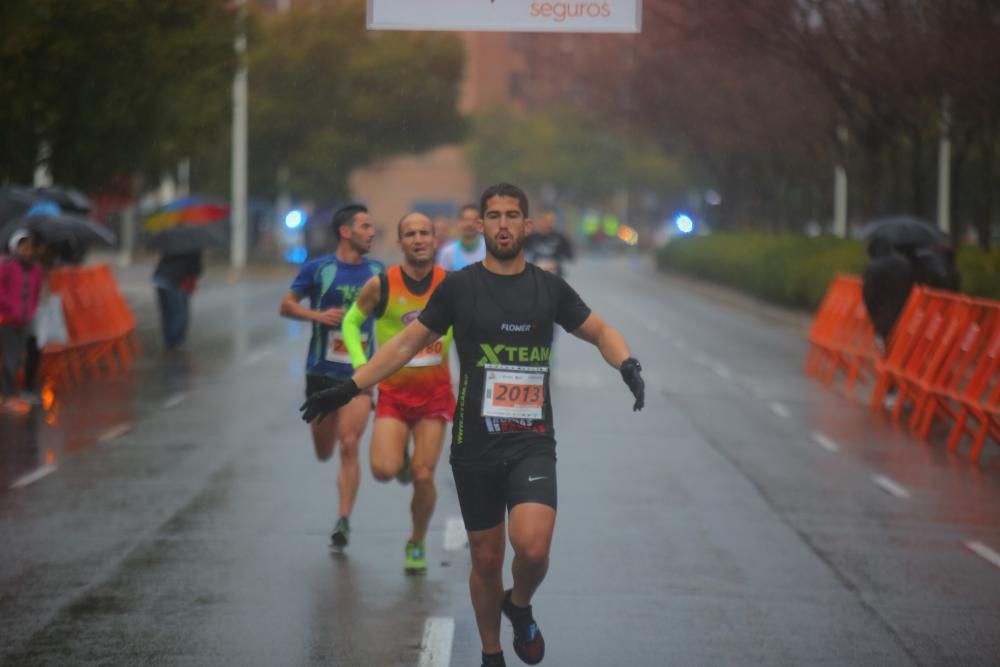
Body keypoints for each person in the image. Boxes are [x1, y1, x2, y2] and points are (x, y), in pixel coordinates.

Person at [300, 183, 645, 667]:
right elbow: (403, 345)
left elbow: (601, 331)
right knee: (485, 559)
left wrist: (626, 364)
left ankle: (519, 604)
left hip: (531, 440)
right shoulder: (460, 288)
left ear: (526, 225)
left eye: (512, 216)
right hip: (474, 444)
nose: (503, 225)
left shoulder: (548, 287)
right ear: (479, 225)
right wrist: (350, 385)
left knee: (534, 547)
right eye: (493, 216)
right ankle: (491, 654)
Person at [339, 212, 454, 575]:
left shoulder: (451, 285)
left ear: (435, 240)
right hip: (393, 394)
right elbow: (350, 321)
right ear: (400, 243)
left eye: (425, 232)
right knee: (384, 470)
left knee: (424, 475)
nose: (418, 239)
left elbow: (471, 330)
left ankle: (417, 541)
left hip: (436, 396)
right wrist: (361, 364)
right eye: (410, 234)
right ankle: (400, 460)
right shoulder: (381, 285)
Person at [280, 204, 383, 550]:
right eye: (365, 226)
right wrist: (317, 315)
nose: (372, 232)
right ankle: (342, 510)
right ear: (345, 231)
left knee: (349, 443)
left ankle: (343, 520)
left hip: (359, 374)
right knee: (324, 451)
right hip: (321, 373)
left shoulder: (378, 271)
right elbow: (286, 305)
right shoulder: (318, 268)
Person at [0, 230, 45, 413]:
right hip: (7, 320)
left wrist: (31, 310)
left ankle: (11, 394)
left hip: (24, 320)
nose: (27, 251)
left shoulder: (35, 269)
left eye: (29, 248)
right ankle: (7, 396)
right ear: (15, 248)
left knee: (18, 358)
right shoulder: (8, 266)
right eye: (23, 247)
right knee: (11, 358)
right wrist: (9, 308)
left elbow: (35, 292)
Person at [153, 250, 203, 349]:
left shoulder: (172, 246)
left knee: (167, 313)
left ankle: (168, 339)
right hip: (175, 281)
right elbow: (195, 269)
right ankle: (175, 340)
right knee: (180, 313)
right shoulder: (193, 249)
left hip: (160, 280)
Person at [523, 210, 574, 277]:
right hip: (535, 272)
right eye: (544, 220)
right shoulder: (530, 237)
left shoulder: (560, 238)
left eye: (551, 220)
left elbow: (570, 256)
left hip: (554, 273)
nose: (547, 223)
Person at [436, 203, 485, 271]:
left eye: (474, 220)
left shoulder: (489, 249)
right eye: (466, 219)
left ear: (481, 223)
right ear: (458, 222)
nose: (470, 224)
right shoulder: (447, 252)